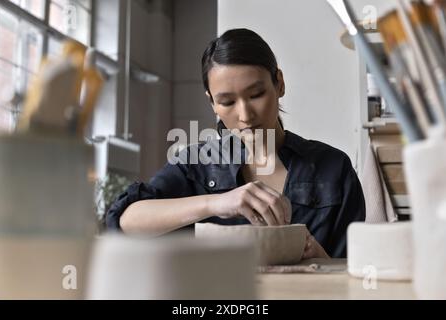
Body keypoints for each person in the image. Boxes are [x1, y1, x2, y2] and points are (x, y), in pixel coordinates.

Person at [106, 28, 365, 258]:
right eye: (227, 102)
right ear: (212, 103)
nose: (245, 115)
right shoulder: (195, 165)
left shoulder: (333, 168)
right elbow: (124, 221)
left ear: (280, 83)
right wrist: (216, 203)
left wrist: (319, 258)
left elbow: (355, 275)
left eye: (256, 94)